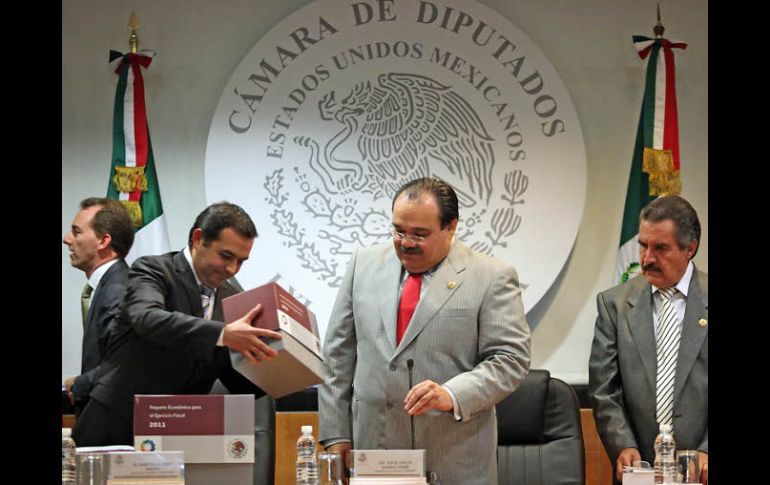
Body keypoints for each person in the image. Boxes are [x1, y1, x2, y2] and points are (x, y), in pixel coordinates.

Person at [318, 178, 531, 485]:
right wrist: (336, 434)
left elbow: (511, 360)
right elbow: (337, 356)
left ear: (451, 227)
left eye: (420, 234)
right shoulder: (362, 264)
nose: (406, 242)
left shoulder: (492, 276)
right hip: (376, 454)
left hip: (452, 459)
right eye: (398, 230)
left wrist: (452, 394)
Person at [73, 202, 282, 446]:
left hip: (178, 436)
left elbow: (234, 379)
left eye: (241, 261)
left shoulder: (232, 299)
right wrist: (224, 333)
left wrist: (274, 369)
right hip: (116, 426)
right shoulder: (153, 270)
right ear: (198, 239)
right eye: (226, 256)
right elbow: (146, 318)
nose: (232, 269)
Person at [589, 195, 708, 484]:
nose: (646, 258)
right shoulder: (614, 304)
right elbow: (605, 388)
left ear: (690, 248)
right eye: (643, 245)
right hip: (639, 471)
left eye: (661, 248)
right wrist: (623, 445)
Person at [63, 197, 134, 415]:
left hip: (111, 423)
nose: (67, 239)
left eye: (76, 232)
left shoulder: (117, 289)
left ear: (103, 241)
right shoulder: (110, 284)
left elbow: (124, 363)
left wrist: (80, 385)